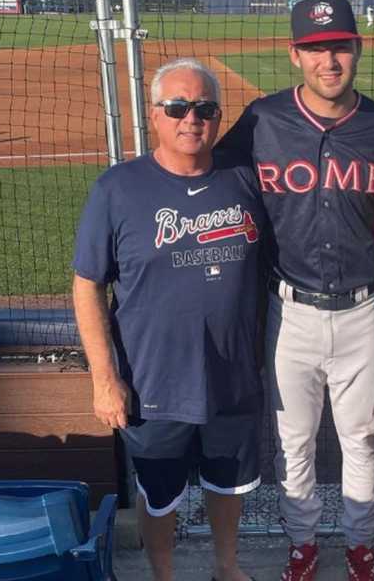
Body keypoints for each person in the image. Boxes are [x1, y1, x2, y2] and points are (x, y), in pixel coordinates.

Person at [219, 0, 374, 581]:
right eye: (317, 49)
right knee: (292, 443)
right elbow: (210, 177)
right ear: (296, 54)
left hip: (362, 312)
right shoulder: (262, 121)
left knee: (362, 440)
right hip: (289, 310)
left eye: (341, 47)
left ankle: (361, 545)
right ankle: (301, 544)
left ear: (358, 49)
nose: (331, 60)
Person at [72, 58, 265, 581]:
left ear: (219, 117)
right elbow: (88, 284)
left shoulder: (244, 183)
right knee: (160, 495)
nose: (191, 118)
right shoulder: (118, 189)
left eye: (204, 108)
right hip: (153, 381)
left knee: (228, 485)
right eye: (177, 107)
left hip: (232, 377)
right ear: (154, 115)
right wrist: (104, 377)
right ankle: (164, 575)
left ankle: (227, 568)